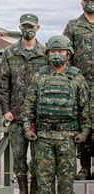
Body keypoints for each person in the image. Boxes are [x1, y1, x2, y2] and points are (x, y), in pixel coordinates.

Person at [23, 35, 90, 194]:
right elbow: (29, 105)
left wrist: (85, 132)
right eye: (53, 51)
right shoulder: (39, 76)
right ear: (47, 53)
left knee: (66, 183)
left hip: (67, 137)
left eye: (60, 51)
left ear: (68, 53)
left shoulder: (76, 78)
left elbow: (85, 107)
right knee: (44, 183)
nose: (56, 54)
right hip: (43, 137)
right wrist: (27, 129)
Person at [0, 13, 46, 193]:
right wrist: (5, 110)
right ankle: (23, 190)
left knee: (37, 158)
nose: (28, 30)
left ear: (38, 28)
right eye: (25, 27)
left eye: (31, 27)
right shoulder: (10, 53)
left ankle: (33, 190)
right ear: (20, 28)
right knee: (18, 158)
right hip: (16, 115)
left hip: (38, 116)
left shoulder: (44, 53)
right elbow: (3, 83)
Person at [63, 0, 94, 180]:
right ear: (81, 2)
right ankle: (84, 167)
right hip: (81, 84)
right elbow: (66, 53)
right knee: (82, 124)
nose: (90, 2)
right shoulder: (73, 26)